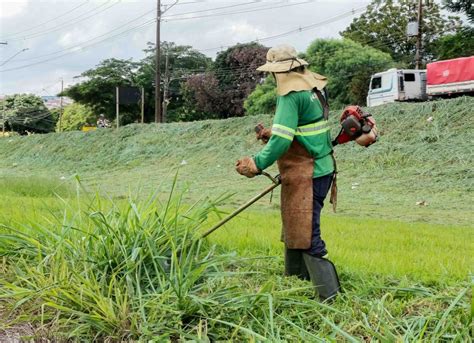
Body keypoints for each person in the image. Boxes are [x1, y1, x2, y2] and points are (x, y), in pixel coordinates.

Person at [235, 44, 340, 301]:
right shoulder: (314, 89)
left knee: (307, 231)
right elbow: (304, 130)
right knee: (296, 223)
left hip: (308, 173)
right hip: (322, 167)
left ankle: (330, 296)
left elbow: (282, 141)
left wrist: (257, 163)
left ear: (276, 72)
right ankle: (296, 280)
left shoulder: (290, 95)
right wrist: (273, 134)